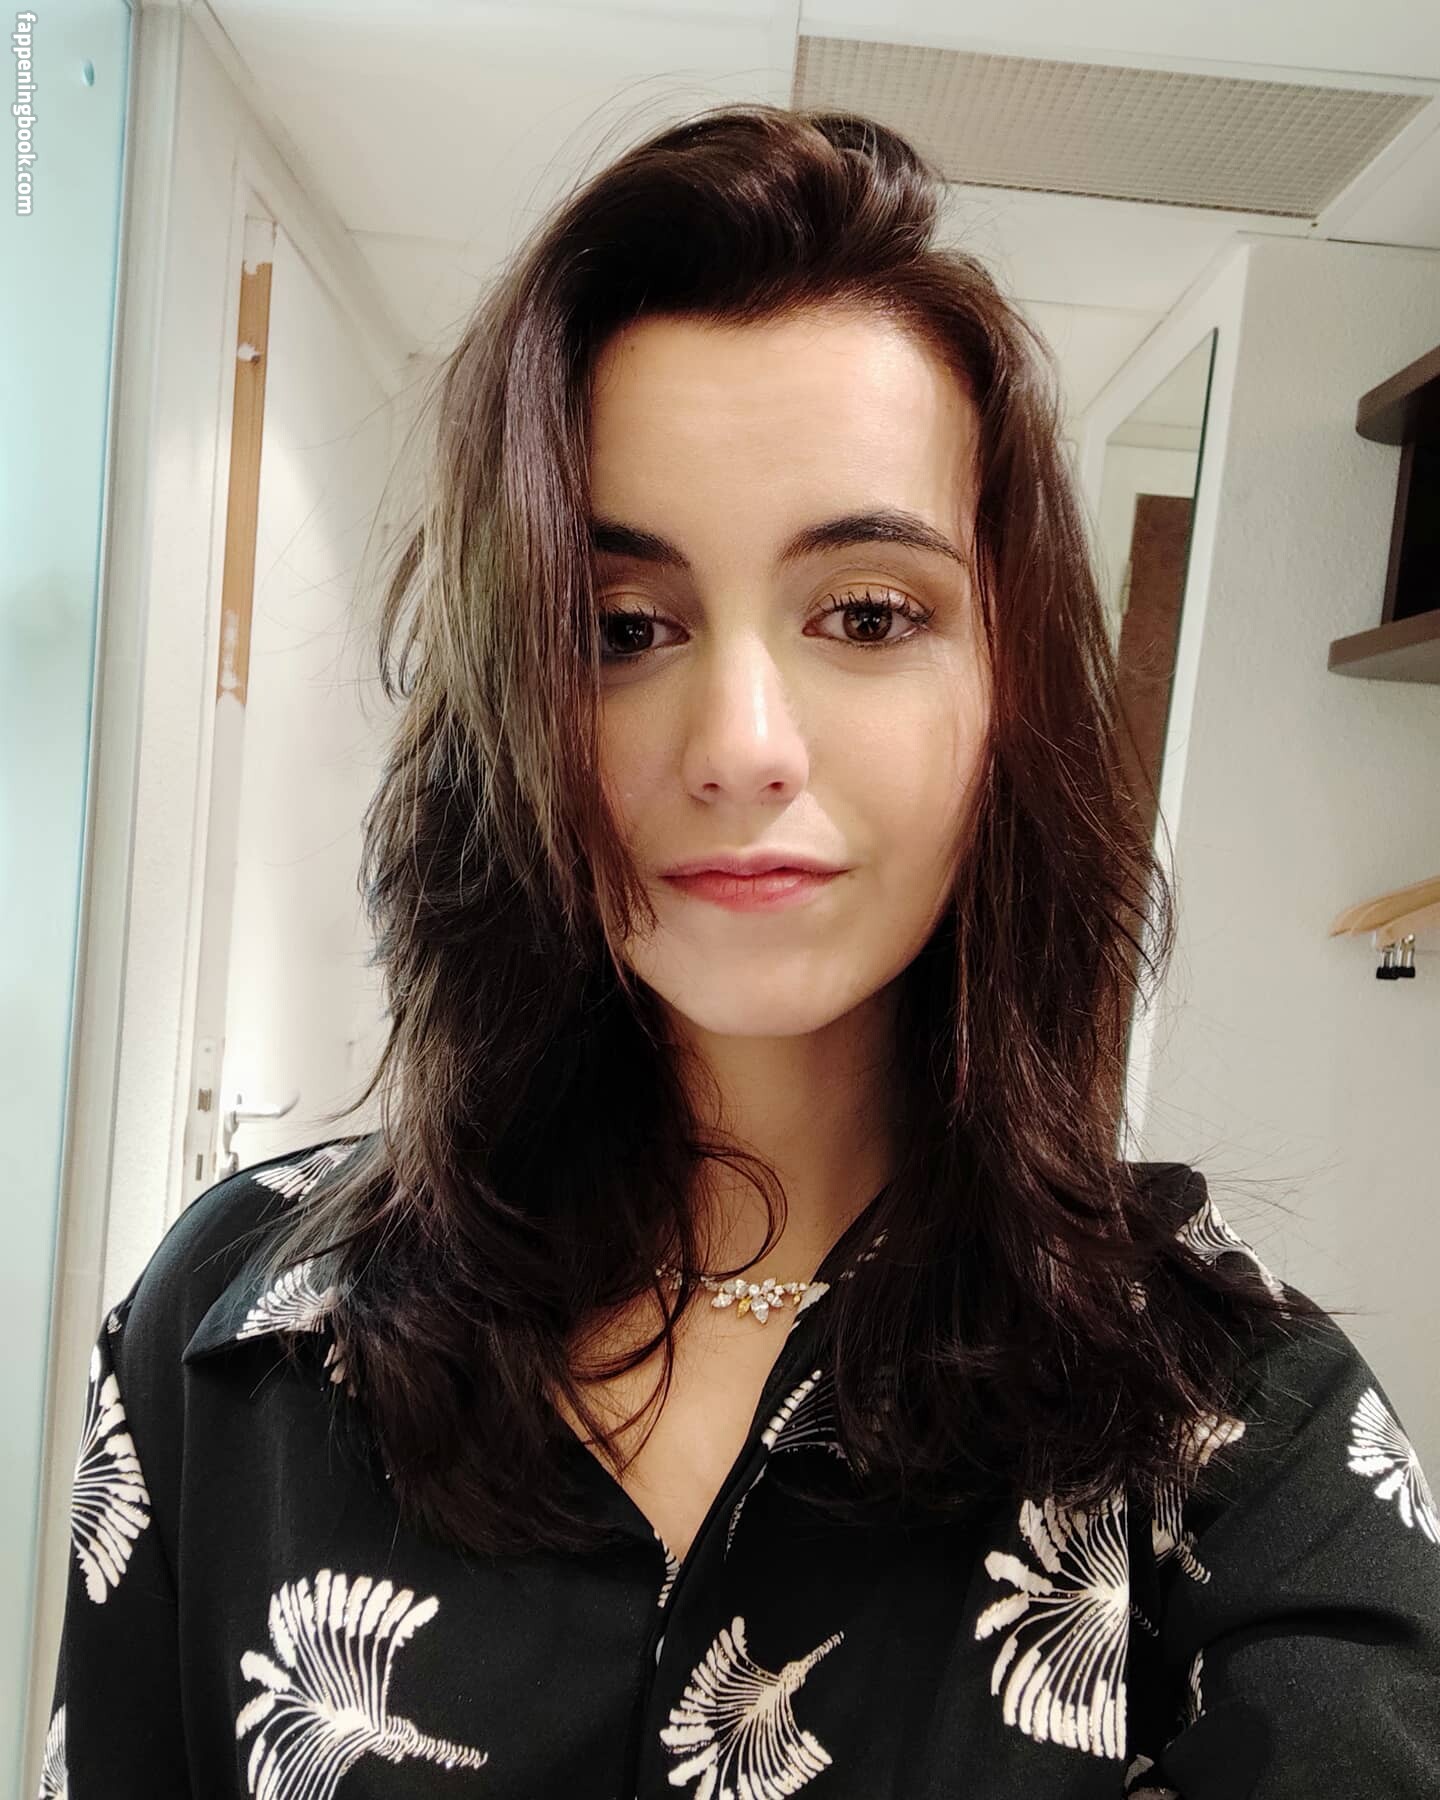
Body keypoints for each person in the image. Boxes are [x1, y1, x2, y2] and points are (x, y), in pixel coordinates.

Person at [37, 103, 1440, 1800]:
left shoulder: (1234, 1435)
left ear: (1008, 687)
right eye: (624, 628)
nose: (742, 745)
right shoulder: (235, 1338)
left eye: (868, 614)